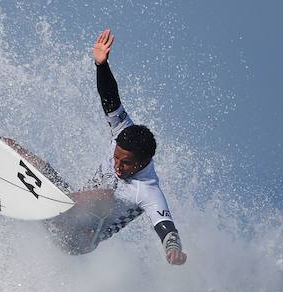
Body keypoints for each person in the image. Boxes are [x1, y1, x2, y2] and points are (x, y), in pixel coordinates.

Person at [40, 29, 187, 265]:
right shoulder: (122, 131)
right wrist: (101, 65)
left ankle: (49, 205)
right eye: (116, 158)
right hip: (68, 207)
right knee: (31, 161)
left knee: (106, 196)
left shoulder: (147, 190)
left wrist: (173, 249)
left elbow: (167, 228)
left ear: (143, 162)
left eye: (125, 163)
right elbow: (110, 97)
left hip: (80, 239)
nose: (117, 166)